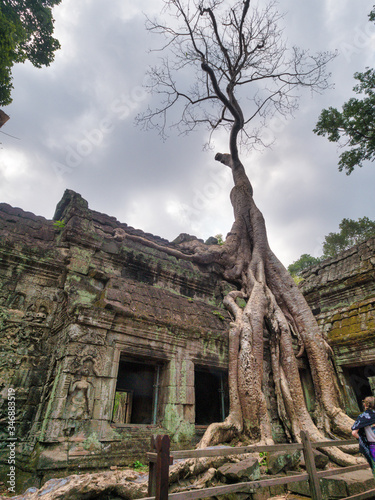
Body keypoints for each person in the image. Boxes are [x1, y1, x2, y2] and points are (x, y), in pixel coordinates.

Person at [351, 396, 375, 475]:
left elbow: (354, 433)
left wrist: (361, 439)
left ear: (365, 405)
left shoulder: (363, 417)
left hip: (372, 446)